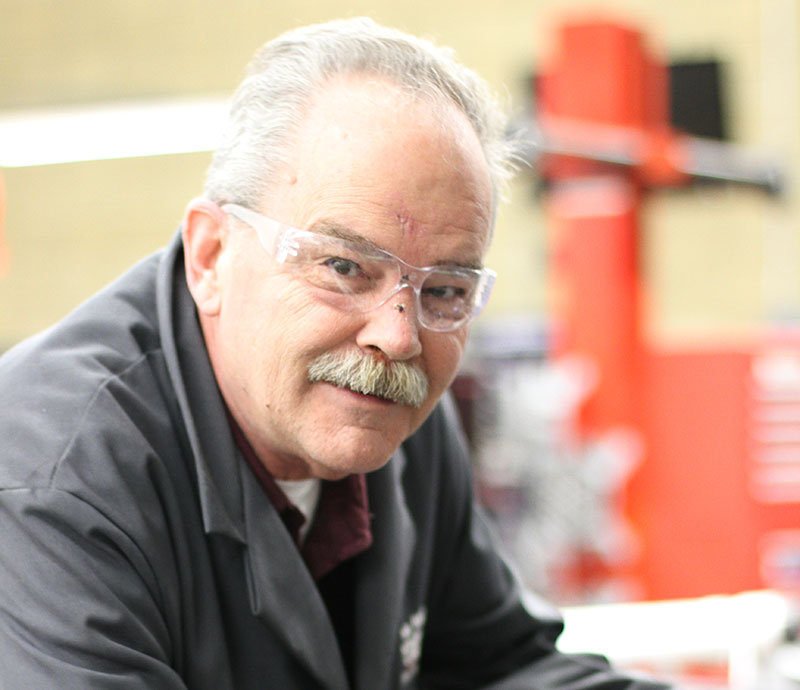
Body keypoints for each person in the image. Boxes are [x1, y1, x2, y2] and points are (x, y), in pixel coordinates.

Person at [0, 18, 671, 690]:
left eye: (443, 289)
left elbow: (497, 667)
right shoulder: (52, 482)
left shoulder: (396, 420)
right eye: (346, 268)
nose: (400, 336)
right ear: (211, 257)